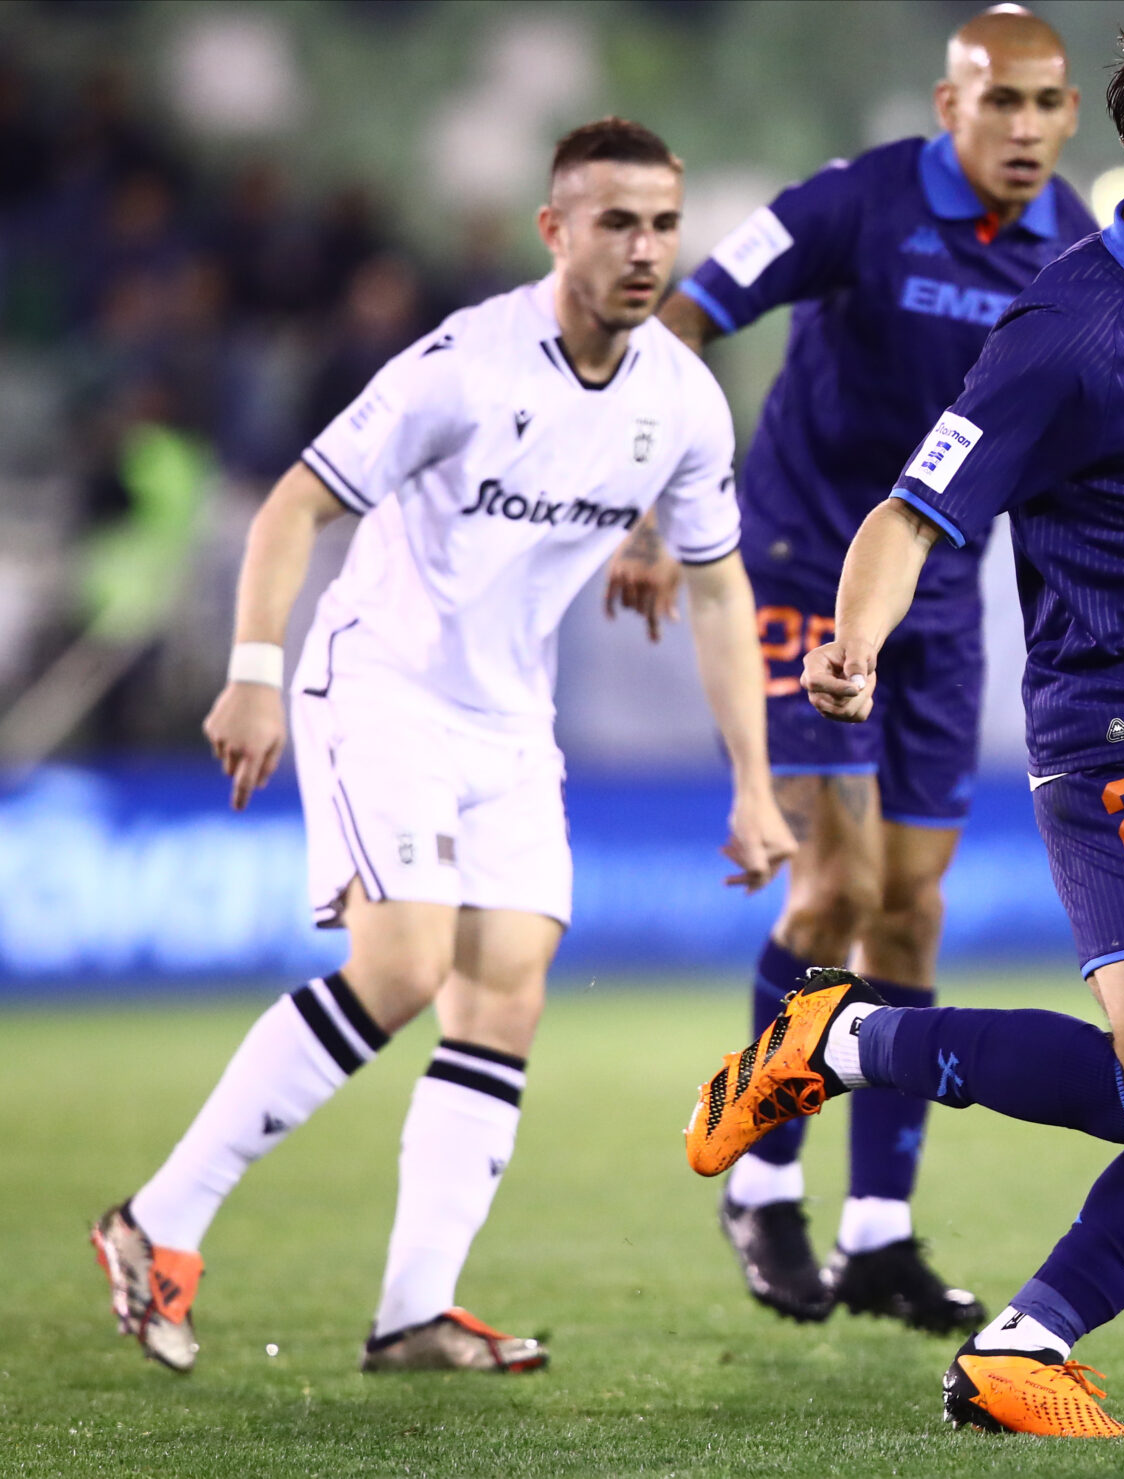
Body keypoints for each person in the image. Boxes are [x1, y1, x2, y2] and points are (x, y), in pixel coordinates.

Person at [680, 0, 1124, 1437]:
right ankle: (836, 1040)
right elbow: (912, 510)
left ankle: (1021, 1344)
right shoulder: (1064, 329)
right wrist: (853, 643)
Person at [90, 118, 794, 1372]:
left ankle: (413, 1312)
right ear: (555, 230)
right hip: (383, 689)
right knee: (404, 967)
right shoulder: (462, 365)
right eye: (616, 223)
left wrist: (752, 782)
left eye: (662, 225)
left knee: (505, 993)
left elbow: (719, 587)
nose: (644, 249)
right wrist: (251, 676)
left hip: (510, 721)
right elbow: (293, 505)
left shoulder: (683, 398)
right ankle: (156, 1224)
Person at [605, 4, 1092, 1335]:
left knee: (912, 909)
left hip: (941, 600)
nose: (1026, 128)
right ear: (950, 106)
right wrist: (651, 509)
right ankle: (761, 1178)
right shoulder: (852, 204)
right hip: (801, 573)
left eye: (1047, 103)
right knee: (833, 891)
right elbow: (684, 320)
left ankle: (877, 1232)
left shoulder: (1071, 241)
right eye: (1000, 101)